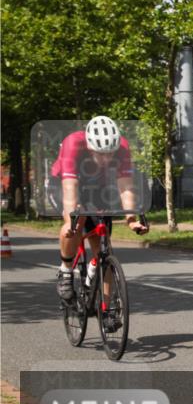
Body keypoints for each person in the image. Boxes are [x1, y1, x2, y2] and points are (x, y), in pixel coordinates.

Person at [52, 116, 148, 300]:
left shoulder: (122, 147)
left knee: (104, 248)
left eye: (111, 154)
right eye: (101, 154)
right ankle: (65, 271)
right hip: (64, 182)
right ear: (89, 147)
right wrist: (71, 223)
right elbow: (70, 189)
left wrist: (131, 220)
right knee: (77, 218)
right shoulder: (73, 144)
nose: (107, 158)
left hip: (97, 187)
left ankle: (106, 306)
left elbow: (126, 187)